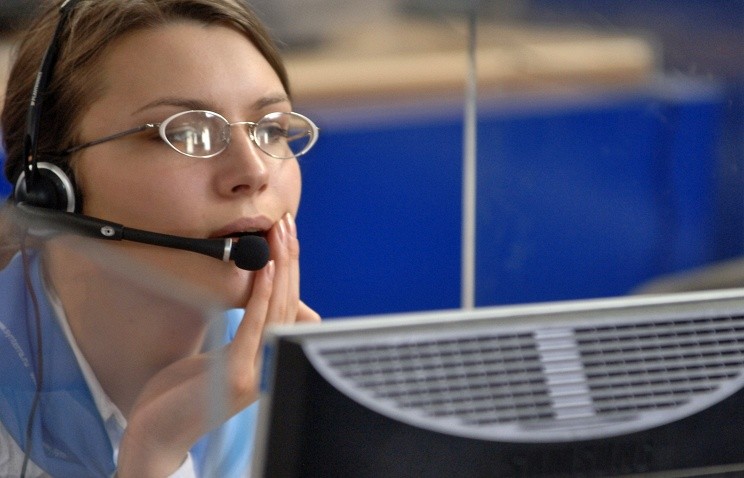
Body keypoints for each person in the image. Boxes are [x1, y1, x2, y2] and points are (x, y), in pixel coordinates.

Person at [0, 0, 321, 476]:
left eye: (271, 129)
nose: (253, 172)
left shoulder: (287, 385)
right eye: (186, 133)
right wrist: (155, 448)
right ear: (51, 187)